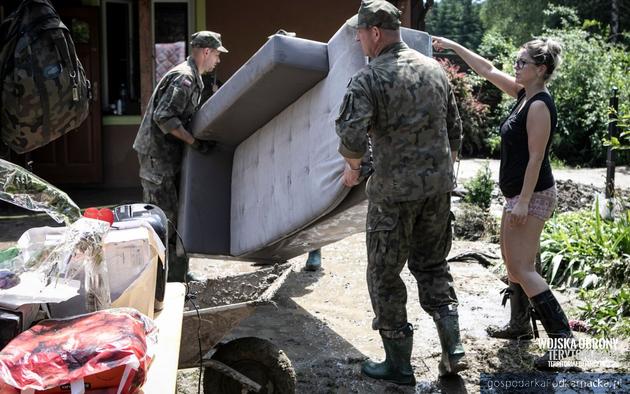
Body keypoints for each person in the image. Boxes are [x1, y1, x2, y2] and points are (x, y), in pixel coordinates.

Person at [336, 0, 467, 385]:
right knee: (432, 265)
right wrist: (440, 173)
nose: (358, 40)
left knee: (384, 273)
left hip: (393, 195)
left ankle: (398, 364)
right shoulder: (435, 70)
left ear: (375, 32)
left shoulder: (370, 78)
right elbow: (454, 130)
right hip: (438, 190)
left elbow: (351, 134)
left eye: (360, 33)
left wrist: (354, 168)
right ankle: (453, 348)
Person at [432, 36, 573, 369]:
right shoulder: (524, 95)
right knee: (513, 265)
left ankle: (563, 338)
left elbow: (537, 157)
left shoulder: (539, 104)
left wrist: (523, 202)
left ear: (540, 69)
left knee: (522, 268)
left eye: (522, 62)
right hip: (519, 195)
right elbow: (487, 68)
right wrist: (453, 46)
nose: (516, 66)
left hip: (533, 194)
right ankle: (521, 325)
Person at [133, 31, 227, 282]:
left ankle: (178, 276)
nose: (218, 60)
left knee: (176, 218)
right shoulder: (184, 78)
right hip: (158, 161)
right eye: (217, 54)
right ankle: (158, 282)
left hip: (168, 159)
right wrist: (194, 142)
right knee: (162, 221)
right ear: (206, 52)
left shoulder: (193, 77)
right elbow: (164, 117)